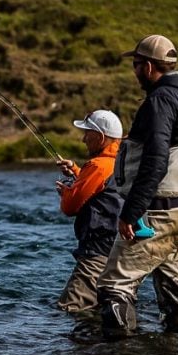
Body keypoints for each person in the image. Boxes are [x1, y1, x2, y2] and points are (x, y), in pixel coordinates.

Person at [96, 34, 178, 339]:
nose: (134, 71)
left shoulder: (160, 101)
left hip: (158, 213)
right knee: (172, 285)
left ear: (150, 67)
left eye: (137, 64)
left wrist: (130, 212)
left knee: (114, 287)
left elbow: (156, 161)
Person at [55, 110, 124, 313]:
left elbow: (70, 207)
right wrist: (78, 173)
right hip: (121, 250)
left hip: (98, 252)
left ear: (101, 137)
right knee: (106, 309)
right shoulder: (123, 161)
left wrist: (66, 191)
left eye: (87, 133)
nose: (83, 139)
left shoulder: (98, 165)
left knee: (70, 308)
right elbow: (106, 189)